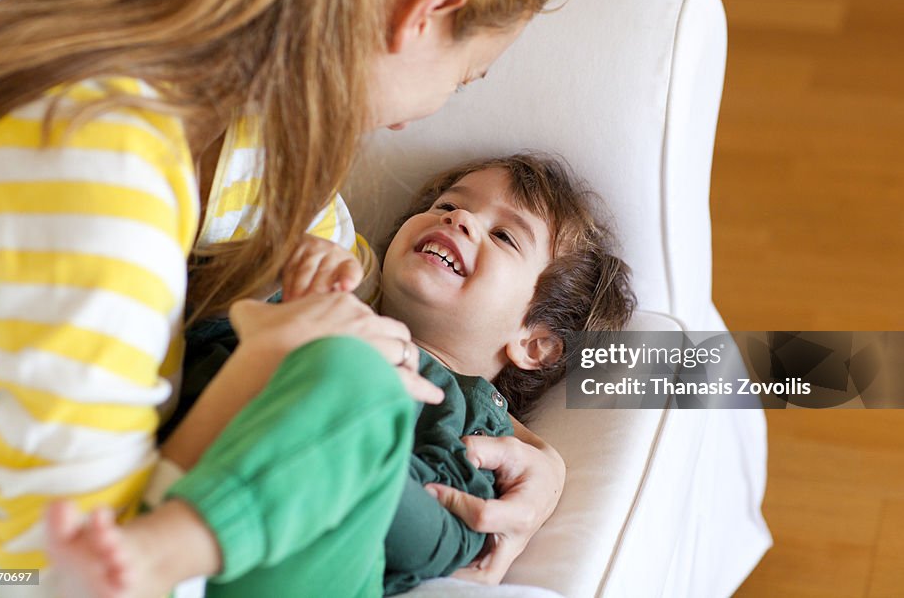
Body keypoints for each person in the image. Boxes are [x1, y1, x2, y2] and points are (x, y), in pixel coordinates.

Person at [0, 0, 573, 595]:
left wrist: (543, 463)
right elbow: (43, 577)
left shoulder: (261, 142)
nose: (407, 122)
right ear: (422, 16)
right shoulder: (94, 179)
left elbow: (404, 354)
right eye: (463, 77)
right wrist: (258, 370)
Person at [45, 154, 637, 597]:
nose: (458, 219)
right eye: (447, 205)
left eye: (504, 235)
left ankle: (162, 550)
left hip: (291, 572)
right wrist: (265, 293)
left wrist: (354, 411)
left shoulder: (471, 416)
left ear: (535, 343)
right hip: (138, 505)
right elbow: (182, 363)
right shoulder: (317, 300)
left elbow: (435, 538)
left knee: (354, 371)